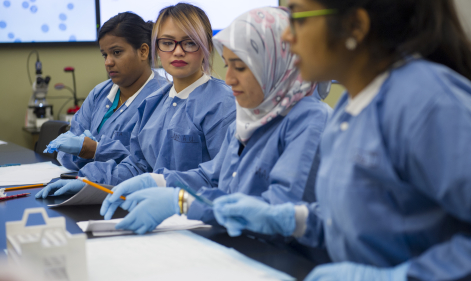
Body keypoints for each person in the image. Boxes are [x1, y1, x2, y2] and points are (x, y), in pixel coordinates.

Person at [213, 0, 471, 280]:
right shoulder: (351, 107)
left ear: (355, 26)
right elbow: (363, 218)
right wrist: (296, 220)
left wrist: (405, 276)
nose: (287, 35)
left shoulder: (424, 102)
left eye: (298, 17)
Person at [97, 7, 332, 235]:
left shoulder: (309, 121)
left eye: (239, 67)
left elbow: (275, 212)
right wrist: (158, 181)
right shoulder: (251, 119)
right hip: (237, 243)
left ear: (275, 63)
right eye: (228, 65)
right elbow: (212, 176)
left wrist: (185, 203)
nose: (228, 79)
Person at [36, 3, 235, 199]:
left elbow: (225, 178)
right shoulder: (154, 103)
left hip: (195, 216)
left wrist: (161, 185)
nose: (178, 51)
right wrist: (88, 182)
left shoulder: (221, 103)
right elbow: (136, 166)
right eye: (167, 43)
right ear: (157, 48)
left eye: (189, 42)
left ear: (207, 47)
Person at [43, 12, 168, 171]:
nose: (108, 62)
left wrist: (96, 150)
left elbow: (147, 165)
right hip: (84, 185)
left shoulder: (163, 98)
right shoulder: (99, 93)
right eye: (105, 54)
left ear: (143, 51)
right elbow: (67, 153)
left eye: (116, 52)